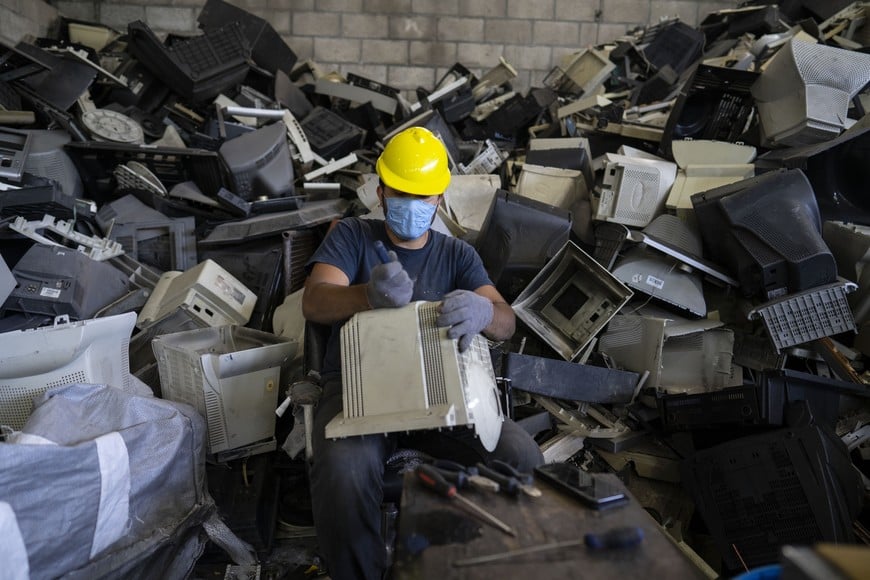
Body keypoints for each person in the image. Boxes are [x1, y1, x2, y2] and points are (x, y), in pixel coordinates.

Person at [301, 126, 544, 580]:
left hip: (442, 395)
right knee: (343, 470)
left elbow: (506, 322)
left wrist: (482, 310)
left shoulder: (457, 255)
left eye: (424, 196)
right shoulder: (353, 236)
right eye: (402, 193)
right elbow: (315, 301)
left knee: (520, 453)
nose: (413, 205)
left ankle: (478, 564)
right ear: (381, 190)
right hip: (358, 389)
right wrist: (366, 296)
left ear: (438, 200)